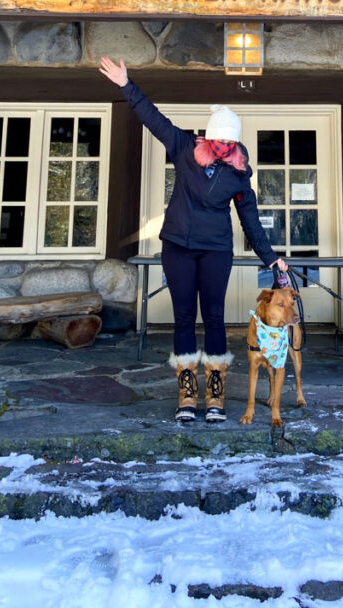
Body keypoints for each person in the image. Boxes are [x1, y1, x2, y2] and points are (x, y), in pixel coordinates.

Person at [99, 56, 288, 423]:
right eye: (217, 139)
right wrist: (126, 84)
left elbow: (249, 218)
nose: (221, 146)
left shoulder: (238, 174)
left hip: (216, 251)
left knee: (214, 318)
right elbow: (154, 120)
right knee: (184, 317)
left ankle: (215, 396)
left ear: (235, 142)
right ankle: (187, 393)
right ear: (209, 134)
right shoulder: (185, 148)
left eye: (228, 142)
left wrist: (271, 259)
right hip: (178, 248)